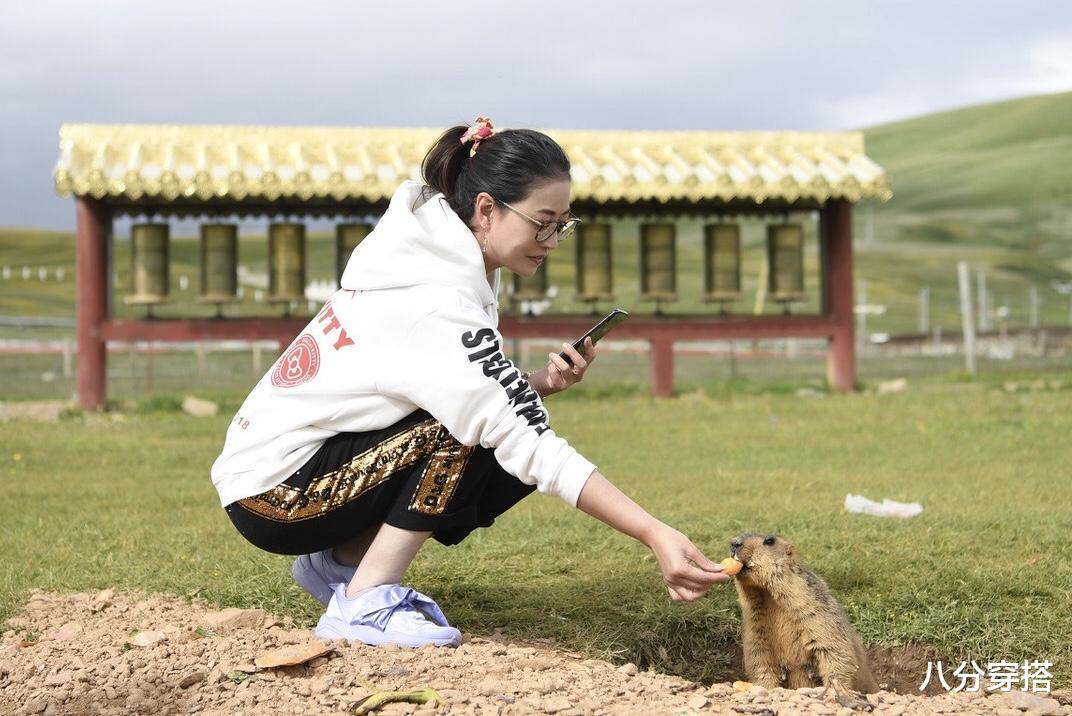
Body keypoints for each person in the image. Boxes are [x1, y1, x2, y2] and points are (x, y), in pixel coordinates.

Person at [211, 116, 729, 648]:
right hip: (272, 497)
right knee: (469, 432)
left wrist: (537, 384)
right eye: (542, 222)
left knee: (499, 422)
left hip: (295, 472)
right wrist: (654, 532)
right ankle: (364, 602)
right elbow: (518, 432)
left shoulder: (442, 259)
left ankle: (337, 566)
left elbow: (463, 390)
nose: (552, 241)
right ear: (486, 209)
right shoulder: (433, 300)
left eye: (563, 224)